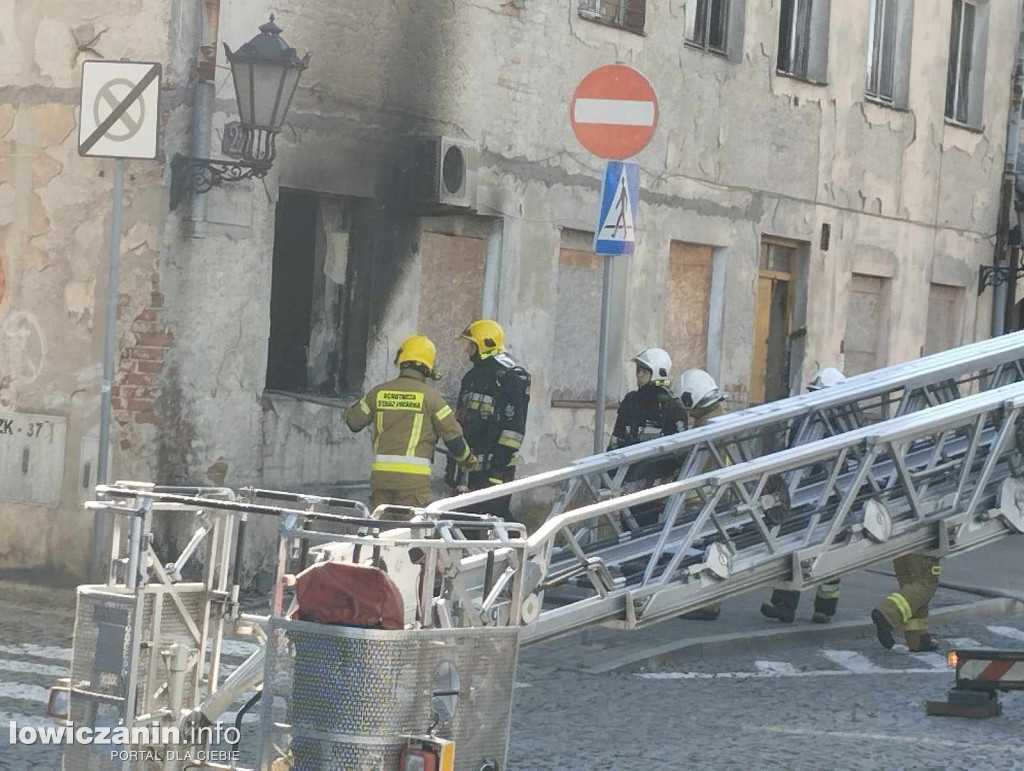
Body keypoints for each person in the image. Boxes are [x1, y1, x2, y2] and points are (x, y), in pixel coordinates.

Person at [345, 334, 476, 512]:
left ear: (402, 361)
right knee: (408, 534)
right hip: (413, 484)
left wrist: (349, 409)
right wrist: (468, 459)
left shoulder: (379, 392)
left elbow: (353, 421)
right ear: (427, 366)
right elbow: (453, 439)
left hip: (381, 480)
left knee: (382, 535)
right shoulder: (432, 399)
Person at [760, 367, 847, 625]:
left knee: (829, 551)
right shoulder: (805, 419)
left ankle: (824, 609)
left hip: (830, 494)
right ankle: (784, 605)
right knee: (792, 546)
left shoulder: (842, 423)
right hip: (800, 490)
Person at [448, 319, 532, 519]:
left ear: (484, 344)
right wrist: (453, 462)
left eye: (471, 345)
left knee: (497, 518)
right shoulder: (471, 378)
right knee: (463, 521)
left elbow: (514, 430)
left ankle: (521, 550)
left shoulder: (509, 379)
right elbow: (460, 421)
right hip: (469, 466)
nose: (468, 351)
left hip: (497, 467)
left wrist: (497, 470)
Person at [674, 368, 728, 621]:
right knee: (707, 549)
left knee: (702, 550)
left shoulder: (709, 424)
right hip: (711, 497)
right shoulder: (716, 418)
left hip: (704, 499)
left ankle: (707, 603)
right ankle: (706, 601)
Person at [608, 348, 687, 451]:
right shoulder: (630, 401)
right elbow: (615, 440)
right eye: (638, 370)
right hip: (627, 463)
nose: (638, 375)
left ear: (658, 374)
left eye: (644, 371)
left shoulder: (673, 407)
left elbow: (681, 450)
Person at [871, 554, 941, 652]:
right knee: (926, 583)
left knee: (911, 587)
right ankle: (887, 613)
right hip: (919, 543)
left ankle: (917, 638)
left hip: (899, 543)